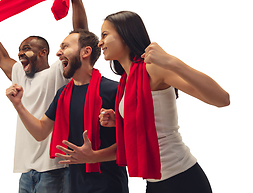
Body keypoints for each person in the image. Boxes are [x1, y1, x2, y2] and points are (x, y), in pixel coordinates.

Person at [98, 11, 230, 193]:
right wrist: (121, 119)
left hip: (183, 179)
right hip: (155, 182)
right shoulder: (126, 81)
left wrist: (172, 62)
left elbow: (222, 99)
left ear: (125, 35)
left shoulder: (153, 69)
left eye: (105, 34)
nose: (100, 42)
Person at [0, 0, 88, 193]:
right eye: (19, 50)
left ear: (43, 53)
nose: (20, 54)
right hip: (26, 171)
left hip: (54, 170)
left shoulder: (58, 73)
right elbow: (1, 57)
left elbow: (81, 36)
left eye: (27, 49)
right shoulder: (20, 73)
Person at [6, 29, 129, 193]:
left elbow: (134, 143)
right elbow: (41, 132)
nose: (58, 53)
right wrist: (18, 105)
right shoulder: (63, 94)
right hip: (73, 185)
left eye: (65, 47)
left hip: (108, 186)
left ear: (86, 51)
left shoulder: (113, 90)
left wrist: (94, 157)